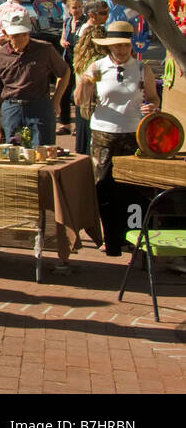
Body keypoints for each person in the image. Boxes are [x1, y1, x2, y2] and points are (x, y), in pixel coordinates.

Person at [74, 21, 159, 258]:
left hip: (133, 134)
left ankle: (131, 236)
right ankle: (108, 237)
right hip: (103, 133)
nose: (120, 51)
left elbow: (153, 98)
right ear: (108, 46)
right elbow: (79, 101)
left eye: (124, 45)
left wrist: (151, 107)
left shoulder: (142, 69)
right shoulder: (98, 66)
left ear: (130, 44)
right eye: (115, 46)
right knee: (103, 186)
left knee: (132, 187)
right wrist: (84, 81)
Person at [0, 10, 70, 145]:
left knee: (43, 151)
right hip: (11, 108)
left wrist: (56, 101)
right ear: (7, 35)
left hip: (39, 107)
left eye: (24, 34)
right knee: (12, 153)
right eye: (16, 35)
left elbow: (65, 72)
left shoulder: (45, 49)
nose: (21, 39)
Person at [71, 0, 110, 154]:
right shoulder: (96, 59)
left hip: (84, 102)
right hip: (92, 102)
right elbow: (96, 79)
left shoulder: (83, 51)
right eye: (103, 13)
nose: (106, 16)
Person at [56, 0, 83, 135]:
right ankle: (65, 124)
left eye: (79, 7)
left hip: (80, 62)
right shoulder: (67, 21)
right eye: (74, 7)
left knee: (78, 93)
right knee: (64, 91)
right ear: (69, 9)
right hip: (67, 60)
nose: (76, 10)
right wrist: (63, 42)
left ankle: (80, 125)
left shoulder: (85, 22)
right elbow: (62, 37)